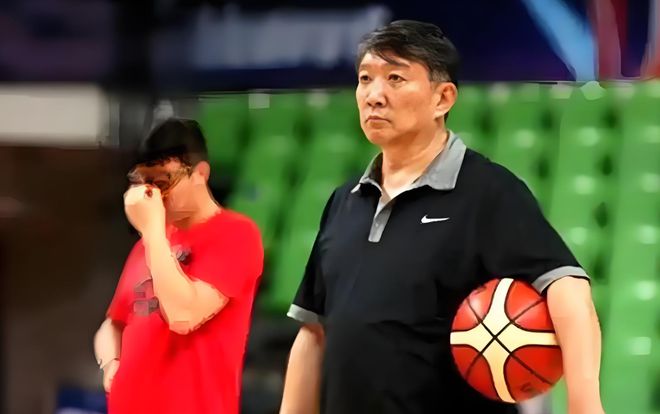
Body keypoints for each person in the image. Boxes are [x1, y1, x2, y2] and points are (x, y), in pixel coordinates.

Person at [279, 20, 604, 414]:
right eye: (365, 79)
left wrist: (585, 404)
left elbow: (567, 288)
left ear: (443, 98)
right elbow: (314, 332)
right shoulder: (344, 200)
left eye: (395, 78)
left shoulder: (488, 192)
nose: (374, 95)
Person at [93, 118, 264, 414]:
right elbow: (113, 323)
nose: (155, 195)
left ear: (200, 174)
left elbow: (183, 315)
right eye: (146, 182)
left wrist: (152, 231)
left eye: (164, 182)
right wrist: (111, 363)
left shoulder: (237, 234)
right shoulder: (147, 244)